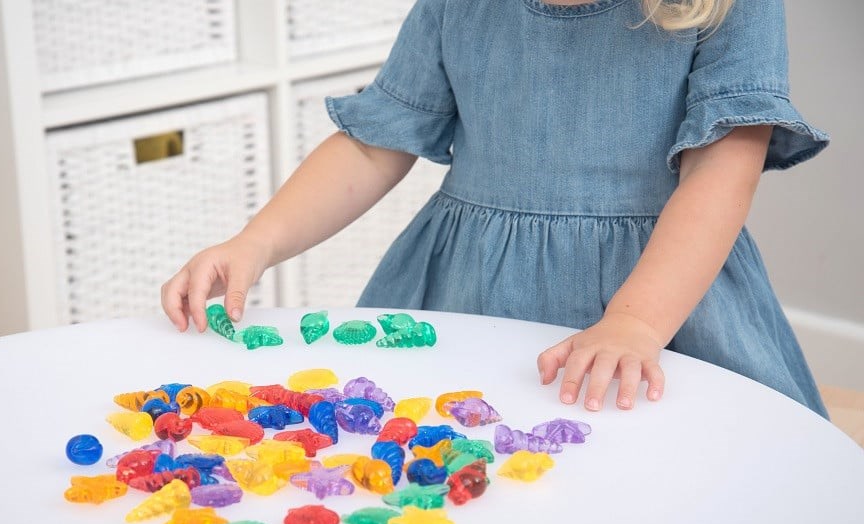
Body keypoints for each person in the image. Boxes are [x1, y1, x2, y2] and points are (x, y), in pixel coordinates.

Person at [161, 0, 830, 418]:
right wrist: (257, 241)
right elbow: (375, 144)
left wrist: (634, 322)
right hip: (472, 293)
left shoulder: (725, 5)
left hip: (665, 302)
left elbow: (722, 173)